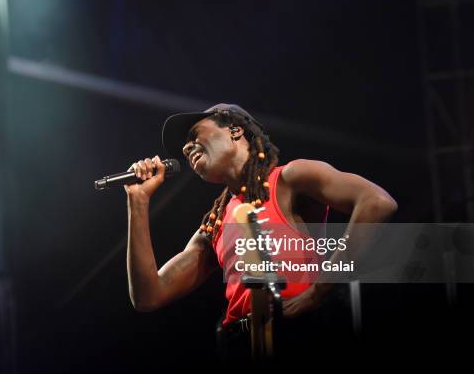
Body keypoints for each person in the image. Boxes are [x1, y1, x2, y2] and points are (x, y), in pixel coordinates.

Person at [124, 103, 397, 360]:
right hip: (240, 346)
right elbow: (149, 296)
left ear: (235, 129)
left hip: (298, 332)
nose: (186, 148)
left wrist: (319, 291)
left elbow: (376, 203)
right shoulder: (214, 225)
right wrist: (138, 202)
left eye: (194, 134)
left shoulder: (290, 179)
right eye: (184, 146)